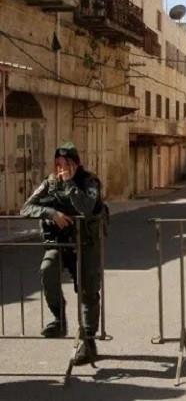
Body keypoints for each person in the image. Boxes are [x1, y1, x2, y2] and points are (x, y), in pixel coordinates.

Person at [20, 142, 105, 366]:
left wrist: (69, 184)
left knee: (88, 290)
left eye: (66, 164)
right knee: (47, 269)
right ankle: (59, 319)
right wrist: (51, 213)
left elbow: (86, 208)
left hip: (86, 244)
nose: (61, 168)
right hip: (59, 243)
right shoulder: (50, 182)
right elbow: (26, 208)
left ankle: (88, 341)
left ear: (77, 164)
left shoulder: (89, 182)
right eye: (58, 164)